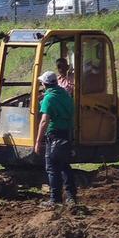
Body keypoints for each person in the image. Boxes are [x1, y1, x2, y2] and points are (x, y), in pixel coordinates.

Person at [34, 71, 76, 208]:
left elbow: (44, 121)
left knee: (52, 167)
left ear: (44, 84)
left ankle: (55, 199)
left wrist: (38, 141)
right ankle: (71, 197)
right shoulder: (65, 95)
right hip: (67, 134)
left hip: (54, 135)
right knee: (65, 166)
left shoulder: (49, 98)